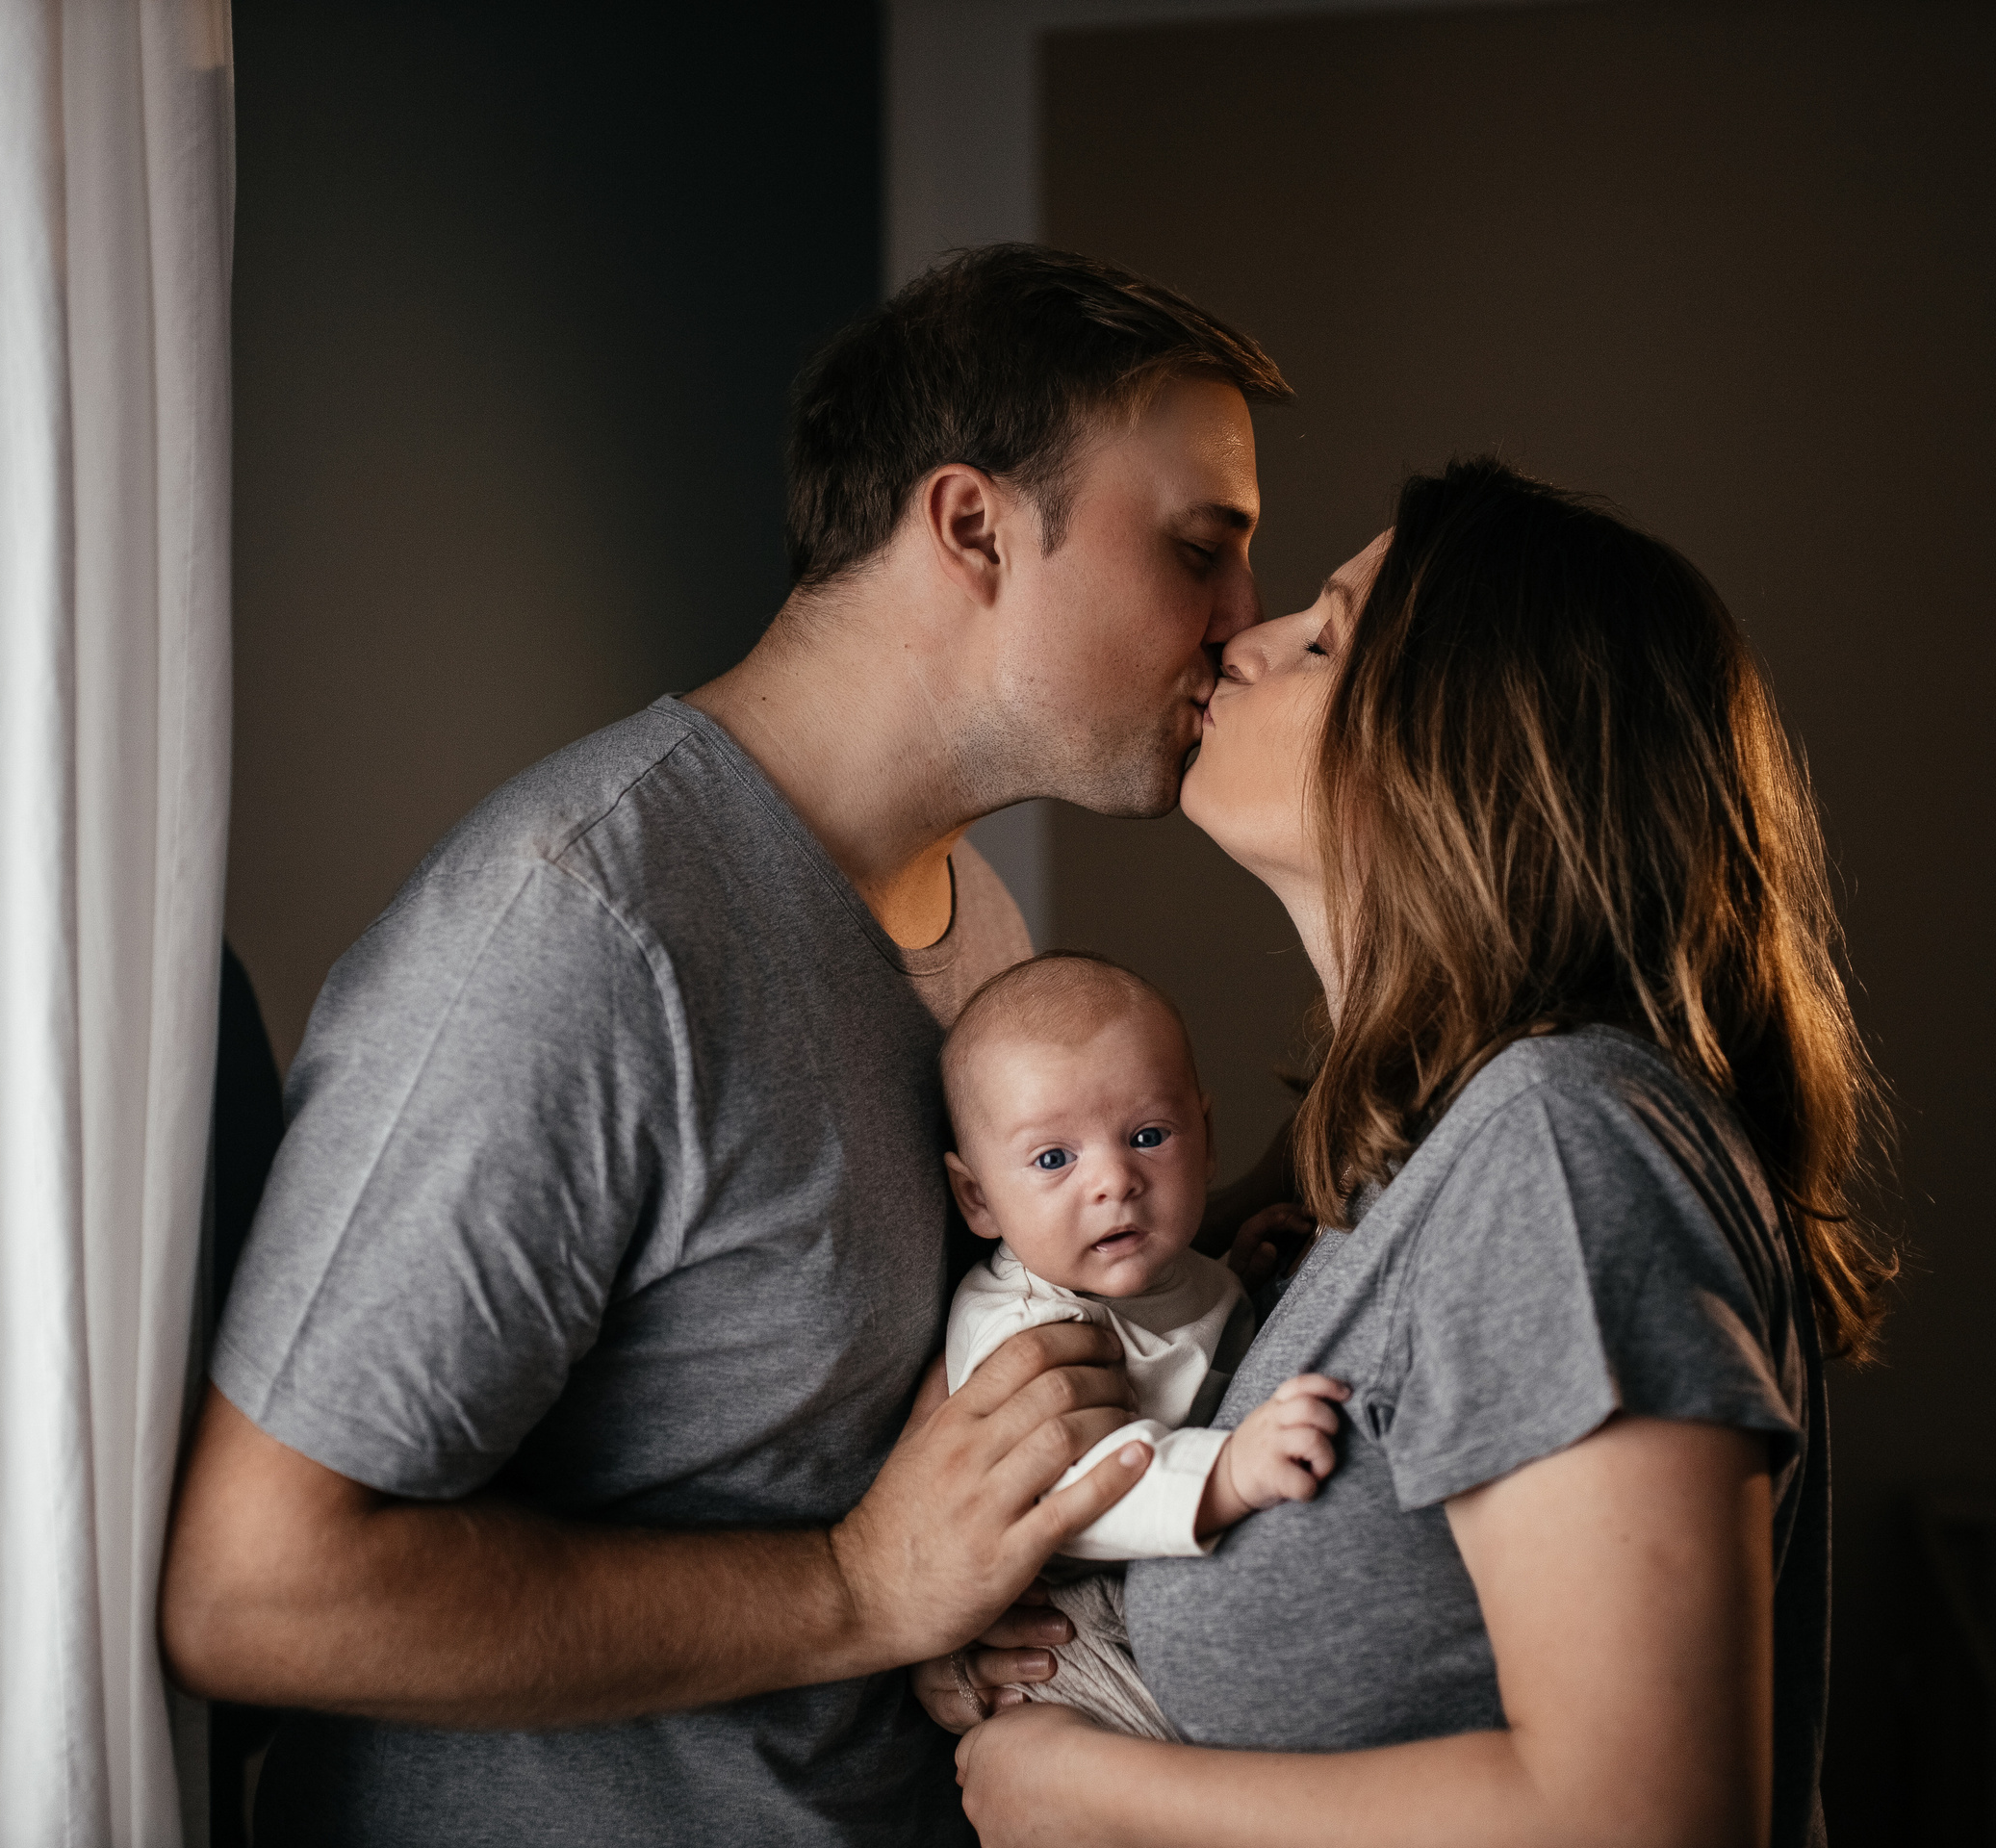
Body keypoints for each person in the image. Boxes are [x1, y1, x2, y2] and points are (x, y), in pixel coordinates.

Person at [158, 244, 1292, 1846]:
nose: (1243, 623)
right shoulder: (579, 933)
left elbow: (878, 1452)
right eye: (1198, 548)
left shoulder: (980, 928)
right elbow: (255, 1594)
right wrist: (852, 1592)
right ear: (973, 528)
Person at [941, 456, 1895, 1848]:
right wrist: (1041, 1637)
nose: (1242, 638)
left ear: (1467, 754)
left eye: (1323, 643)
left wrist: (1090, 1790)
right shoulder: (1399, 1166)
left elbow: (1651, 1818)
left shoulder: (1562, 1142)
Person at [936, 951, 1348, 1739]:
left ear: (1207, 1138)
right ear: (979, 1197)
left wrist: (1237, 1284)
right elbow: (1072, 1495)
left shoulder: (1169, 1269)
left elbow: (1181, 1353)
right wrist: (1228, 1472)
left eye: (1148, 1136)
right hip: (1070, 1619)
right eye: (1053, 1159)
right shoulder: (1023, 1326)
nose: (1113, 1181)